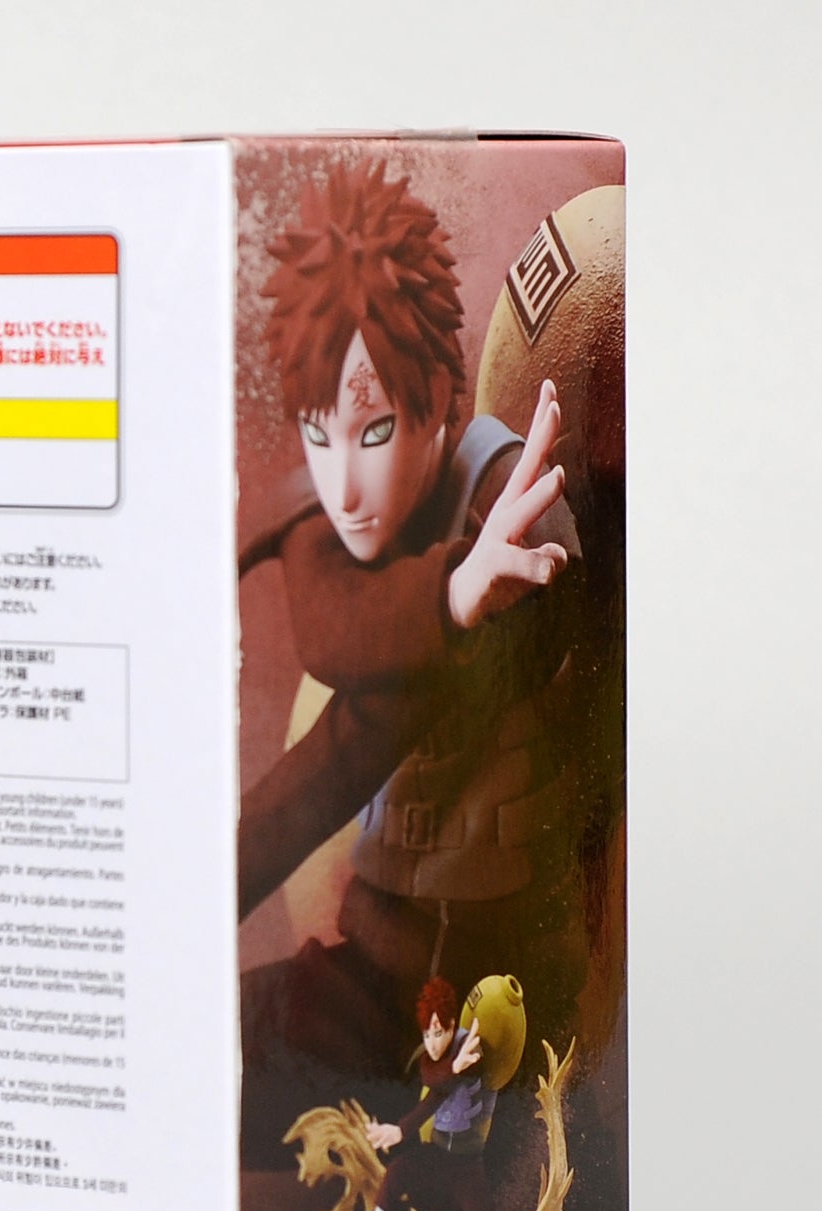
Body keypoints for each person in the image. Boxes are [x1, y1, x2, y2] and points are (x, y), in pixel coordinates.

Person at [238, 160, 587, 1089]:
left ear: (435, 397)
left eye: (374, 430)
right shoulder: (333, 522)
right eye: (318, 434)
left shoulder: (497, 486)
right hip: (374, 964)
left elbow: (546, 602)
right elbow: (335, 638)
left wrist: (482, 590)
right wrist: (451, 596)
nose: (344, 487)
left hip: (506, 993)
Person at [335, 976, 501, 1211]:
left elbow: (456, 1080)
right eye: (426, 1034)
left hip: (467, 1165)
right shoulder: (433, 1058)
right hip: (437, 1153)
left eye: (438, 1033)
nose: (432, 1043)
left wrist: (458, 1066)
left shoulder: (471, 1048)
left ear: (452, 1026)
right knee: (394, 1176)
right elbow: (433, 1083)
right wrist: (400, 1130)